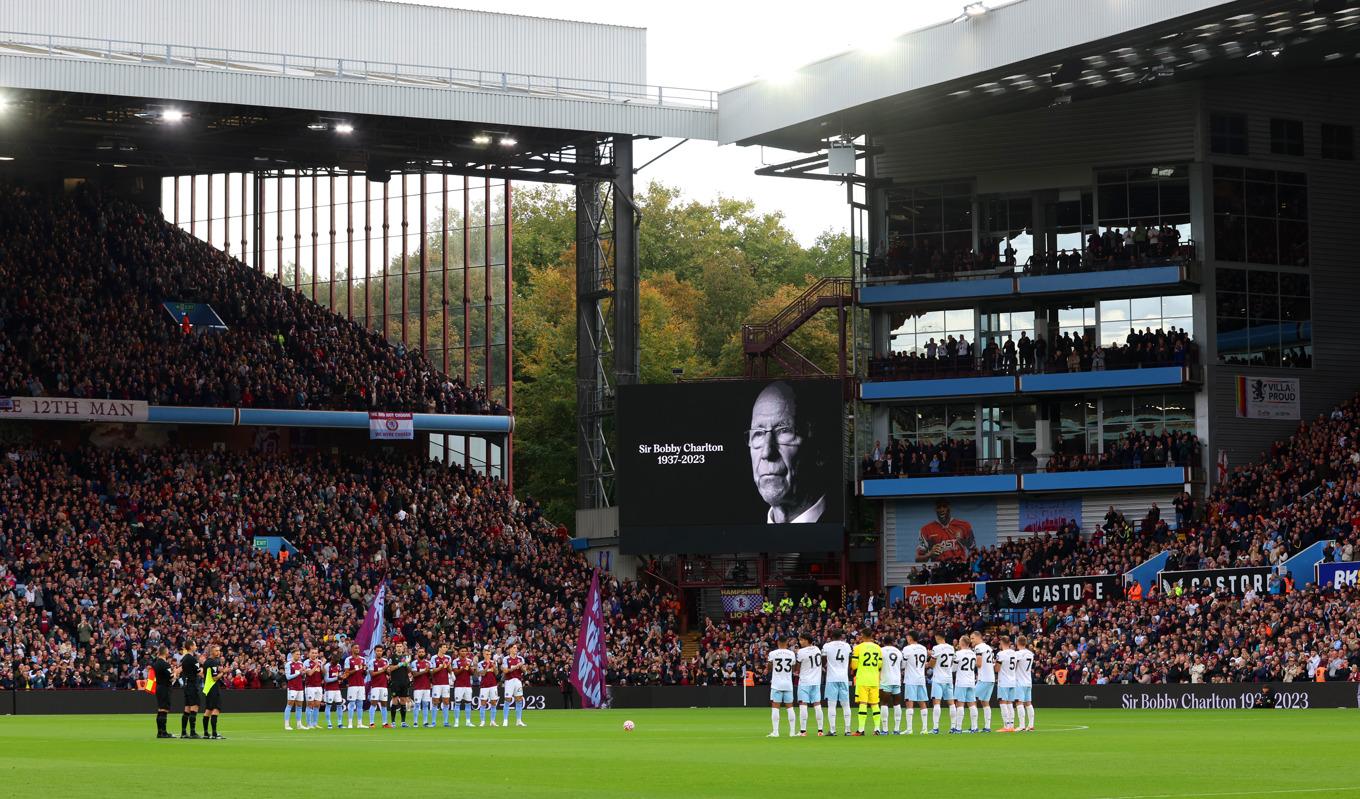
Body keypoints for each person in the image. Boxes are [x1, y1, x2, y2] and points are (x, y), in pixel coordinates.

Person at [747, 381, 827, 524]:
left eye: (784, 431)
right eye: (758, 434)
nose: (767, 452)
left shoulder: (838, 523)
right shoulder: (743, 534)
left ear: (819, 450)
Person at [916, 498, 976, 563]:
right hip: (940, 569)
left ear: (949, 508)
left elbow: (973, 550)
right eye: (939, 507)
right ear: (935, 509)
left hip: (959, 567)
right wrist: (929, 554)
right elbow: (918, 559)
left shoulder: (964, 525)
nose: (942, 510)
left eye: (944, 506)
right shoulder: (926, 530)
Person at [849, 629, 883, 736]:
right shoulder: (878, 648)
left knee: (863, 703)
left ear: (862, 635)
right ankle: (877, 729)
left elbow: (854, 665)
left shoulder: (858, 648)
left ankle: (861, 729)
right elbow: (879, 665)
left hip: (863, 679)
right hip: (874, 679)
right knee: (875, 704)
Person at [821, 630, 853, 736]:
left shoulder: (827, 646)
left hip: (831, 678)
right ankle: (848, 730)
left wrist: (827, 665)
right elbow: (850, 659)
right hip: (843, 677)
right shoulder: (847, 646)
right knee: (846, 704)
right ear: (841, 636)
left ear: (831, 636)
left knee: (832, 705)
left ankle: (833, 730)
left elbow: (823, 660)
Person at [766, 637, 798, 738]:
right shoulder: (791, 653)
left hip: (776, 684)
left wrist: (770, 666)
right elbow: (793, 667)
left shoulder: (773, 653)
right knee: (790, 707)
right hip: (788, 683)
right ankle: (792, 732)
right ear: (787, 643)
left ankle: (775, 732)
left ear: (778, 642)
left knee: (775, 707)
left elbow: (769, 667)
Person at [794, 634, 824, 736]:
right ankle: (820, 730)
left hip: (805, 682)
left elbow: (797, 668)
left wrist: (796, 671)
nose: (800, 642)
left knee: (803, 705)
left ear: (807, 640)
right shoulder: (817, 649)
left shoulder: (801, 652)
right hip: (816, 682)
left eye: (801, 640)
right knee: (817, 704)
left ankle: (803, 731)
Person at [901, 631, 930, 735]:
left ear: (910, 638)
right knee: (922, 703)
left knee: (909, 703)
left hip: (911, 679)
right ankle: (925, 729)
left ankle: (909, 729)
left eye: (907, 637)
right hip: (921, 678)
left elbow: (903, 665)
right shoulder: (923, 648)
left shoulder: (907, 649)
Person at [928, 633, 955, 734]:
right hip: (948, 678)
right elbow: (952, 661)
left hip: (938, 678)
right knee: (951, 703)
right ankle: (953, 727)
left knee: (936, 702)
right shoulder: (951, 647)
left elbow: (932, 663)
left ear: (936, 637)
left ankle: (935, 728)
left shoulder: (936, 648)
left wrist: (929, 661)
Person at [971, 631, 997, 732]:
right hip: (991, 678)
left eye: (972, 638)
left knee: (972, 700)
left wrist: (969, 662)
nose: (971, 640)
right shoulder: (988, 647)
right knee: (985, 702)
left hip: (984, 678)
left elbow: (979, 663)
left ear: (978, 637)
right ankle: (987, 727)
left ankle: (974, 727)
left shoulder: (979, 648)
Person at [953, 635, 979, 734]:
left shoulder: (958, 653)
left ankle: (958, 728)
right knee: (972, 704)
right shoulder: (973, 653)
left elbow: (954, 668)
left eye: (959, 641)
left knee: (960, 704)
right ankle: (974, 727)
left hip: (961, 681)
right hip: (971, 681)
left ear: (962, 643)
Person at [150, 645, 176, 739]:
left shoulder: (156, 663)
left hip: (159, 687)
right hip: (165, 688)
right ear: (165, 652)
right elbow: (171, 677)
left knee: (160, 709)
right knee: (164, 710)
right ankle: (164, 732)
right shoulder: (165, 664)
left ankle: (159, 732)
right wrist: (175, 673)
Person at [995, 636, 1020, 732]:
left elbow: (997, 669)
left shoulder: (1001, 654)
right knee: (1010, 703)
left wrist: (994, 665)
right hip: (1012, 680)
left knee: (1003, 702)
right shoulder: (1014, 653)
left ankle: (1006, 726)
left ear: (1001, 642)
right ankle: (1011, 725)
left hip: (1004, 681)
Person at [879, 639, 903, 734]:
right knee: (897, 704)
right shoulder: (898, 651)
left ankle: (885, 729)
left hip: (886, 680)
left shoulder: (881, 650)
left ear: (883, 642)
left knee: (884, 703)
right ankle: (896, 729)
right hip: (897, 680)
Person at [201, 643, 225, 740]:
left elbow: (204, 674)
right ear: (212, 652)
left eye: (219, 650)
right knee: (216, 709)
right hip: (213, 687)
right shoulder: (213, 662)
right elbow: (215, 678)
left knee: (208, 709)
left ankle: (206, 733)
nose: (218, 652)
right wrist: (223, 672)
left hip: (208, 688)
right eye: (216, 650)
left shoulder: (206, 662)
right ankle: (214, 733)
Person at [342, 643, 368, 730]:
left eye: (358, 648)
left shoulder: (363, 659)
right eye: (355, 648)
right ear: (352, 649)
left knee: (360, 704)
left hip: (361, 684)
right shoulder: (348, 659)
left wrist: (365, 669)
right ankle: (350, 723)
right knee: (352, 704)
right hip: (352, 685)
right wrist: (357, 668)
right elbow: (347, 673)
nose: (357, 649)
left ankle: (360, 723)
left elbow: (364, 673)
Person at [179, 641, 202, 739]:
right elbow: (199, 673)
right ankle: (192, 732)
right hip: (193, 685)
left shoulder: (183, 658)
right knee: (194, 707)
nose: (196, 646)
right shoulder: (193, 659)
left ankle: (184, 732)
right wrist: (203, 667)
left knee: (187, 709)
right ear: (191, 647)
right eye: (195, 645)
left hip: (186, 685)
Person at [503, 644, 529, 727]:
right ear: (510, 649)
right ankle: (505, 720)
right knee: (507, 700)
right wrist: (516, 667)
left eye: (516, 648)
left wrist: (522, 668)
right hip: (509, 681)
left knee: (519, 700)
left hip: (518, 681)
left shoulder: (521, 659)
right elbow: (505, 671)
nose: (515, 649)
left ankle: (519, 720)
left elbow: (525, 672)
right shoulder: (506, 659)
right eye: (514, 648)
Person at [389, 642, 413, 728]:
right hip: (395, 682)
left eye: (400, 646)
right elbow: (390, 669)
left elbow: (410, 670)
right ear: (395, 648)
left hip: (404, 682)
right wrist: (399, 665)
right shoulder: (392, 657)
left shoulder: (406, 657)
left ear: (403, 648)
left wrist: (407, 664)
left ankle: (403, 722)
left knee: (403, 701)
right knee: (395, 701)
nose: (399, 648)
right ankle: (393, 722)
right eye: (397, 646)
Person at [367, 644, 392, 728]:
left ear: (382, 652)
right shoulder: (371, 662)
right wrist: (383, 669)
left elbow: (388, 672)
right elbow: (372, 674)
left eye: (380, 651)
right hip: (375, 686)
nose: (379, 652)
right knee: (373, 704)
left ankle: (385, 723)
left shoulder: (385, 661)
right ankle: (371, 723)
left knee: (384, 704)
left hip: (384, 686)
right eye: (377, 651)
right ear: (375, 652)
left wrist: (388, 670)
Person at [1015, 635, 1036, 732]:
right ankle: (1031, 725)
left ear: (1017, 643)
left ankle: (1022, 725)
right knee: (1028, 703)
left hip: (1020, 681)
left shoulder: (1018, 654)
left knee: (1019, 703)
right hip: (1028, 681)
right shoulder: (1030, 653)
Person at [410, 646, 434, 728]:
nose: (421, 653)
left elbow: (432, 675)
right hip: (417, 687)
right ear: (417, 653)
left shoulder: (429, 663)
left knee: (425, 705)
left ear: (425, 653)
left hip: (427, 687)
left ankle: (425, 722)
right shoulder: (414, 663)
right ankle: (415, 722)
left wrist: (430, 671)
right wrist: (424, 671)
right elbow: (414, 674)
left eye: (422, 652)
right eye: (419, 652)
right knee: (417, 705)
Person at [431, 644, 454, 728]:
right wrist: (441, 667)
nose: (445, 648)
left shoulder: (448, 657)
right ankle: (433, 722)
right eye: (444, 647)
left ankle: (446, 722)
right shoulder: (434, 658)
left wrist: (447, 666)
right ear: (440, 648)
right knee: (435, 702)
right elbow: (432, 671)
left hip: (446, 683)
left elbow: (450, 670)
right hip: (437, 683)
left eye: (446, 647)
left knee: (446, 702)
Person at [453, 646, 476, 727]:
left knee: (468, 703)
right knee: (457, 703)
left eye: (465, 651)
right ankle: (456, 722)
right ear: (459, 652)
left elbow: (472, 673)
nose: (464, 652)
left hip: (467, 685)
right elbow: (455, 673)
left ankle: (468, 721)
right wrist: (463, 667)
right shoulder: (456, 661)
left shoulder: (470, 661)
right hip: (459, 685)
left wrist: (469, 667)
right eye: (462, 651)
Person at [284, 649, 307, 731]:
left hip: (300, 687)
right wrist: (298, 673)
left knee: (299, 706)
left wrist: (303, 673)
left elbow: (302, 676)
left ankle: (299, 724)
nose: (299, 656)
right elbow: (288, 677)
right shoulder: (288, 664)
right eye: (297, 654)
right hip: (292, 687)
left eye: (299, 654)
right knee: (289, 704)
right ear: (293, 654)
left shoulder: (301, 664)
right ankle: (286, 725)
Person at [303, 646, 325, 731]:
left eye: (316, 653)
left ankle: (315, 723)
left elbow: (324, 673)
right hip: (310, 687)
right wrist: (316, 664)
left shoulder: (319, 662)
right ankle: (309, 724)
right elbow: (310, 673)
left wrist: (322, 665)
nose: (314, 654)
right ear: (309, 653)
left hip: (318, 686)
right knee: (310, 705)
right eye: (313, 653)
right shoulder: (306, 662)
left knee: (317, 705)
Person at [477, 647, 500, 727]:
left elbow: (496, 673)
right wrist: (487, 665)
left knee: (493, 703)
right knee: (483, 703)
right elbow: (482, 673)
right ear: (483, 654)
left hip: (493, 685)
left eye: (489, 654)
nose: (488, 656)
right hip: (484, 686)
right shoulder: (480, 663)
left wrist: (494, 667)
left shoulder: (494, 662)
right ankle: (482, 721)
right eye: (487, 654)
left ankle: (492, 721)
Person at [323, 650, 345, 729]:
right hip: (329, 689)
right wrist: (337, 678)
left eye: (337, 662)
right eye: (334, 662)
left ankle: (340, 723)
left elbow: (340, 674)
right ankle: (329, 723)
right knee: (328, 706)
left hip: (337, 689)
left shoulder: (338, 666)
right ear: (331, 660)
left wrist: (341, 678)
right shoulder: (327, 666)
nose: (335, 664)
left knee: (339, 705)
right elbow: (326, 680)